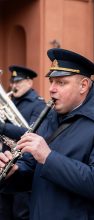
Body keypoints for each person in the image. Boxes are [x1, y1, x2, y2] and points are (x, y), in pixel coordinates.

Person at [0, 48, 94, 220]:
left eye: (61, 83)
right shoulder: (50, 116)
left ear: (83, 85)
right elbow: (33, 169)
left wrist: (48, 157)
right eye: (52, 82)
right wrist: (14, 172)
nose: (52, 89)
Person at [0, 65, 46, 220]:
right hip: (6, 162)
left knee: (21, 214)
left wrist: (3, 127)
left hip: (25, 166)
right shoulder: (9, 100)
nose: (14, 85)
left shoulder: (38, 104)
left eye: (18, 82)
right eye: (12, 82)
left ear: (29, 82)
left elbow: (31, 133)